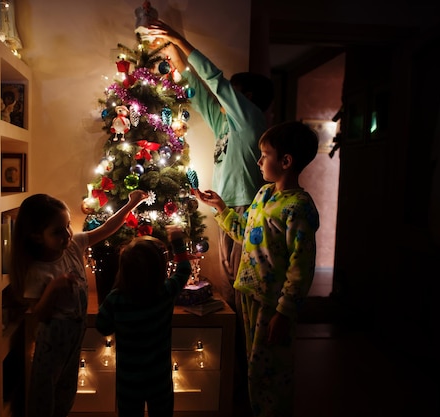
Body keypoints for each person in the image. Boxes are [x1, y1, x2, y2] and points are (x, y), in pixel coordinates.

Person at [149, 20, 274, 417]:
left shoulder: (252, 121)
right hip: (227, 213)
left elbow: (215, 81)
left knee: (245, 296)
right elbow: (201, 95)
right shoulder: (226, 124)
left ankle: (250, 384)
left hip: (247, 217)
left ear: (248, 99)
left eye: (233, 95)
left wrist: (180, 39)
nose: (225, 98)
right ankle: (238, 378)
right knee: (232, 296)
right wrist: (172, 57)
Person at [194, 120, 320, 417]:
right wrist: (222, 209)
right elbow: (246, 234)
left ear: (286, 161)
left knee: (271, 370)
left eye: (265, 154)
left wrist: (284, 312)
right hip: (248, 293)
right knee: (253, 365)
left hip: (272, 304)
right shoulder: (263, 194)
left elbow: (301, 266)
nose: (259, 160)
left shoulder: (298, 207)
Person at [10, 189, 148, 417]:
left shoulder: (74, 246)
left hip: (75, 338)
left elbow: (106, 228)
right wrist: (53, 288)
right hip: (52, 344)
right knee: (44, 397)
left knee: (66, 395)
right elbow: (40, 315)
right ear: (36, 236)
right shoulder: (37, 271)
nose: (66, 235)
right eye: (57, 231)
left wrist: (130, 204)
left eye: (67, 226)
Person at [95, 226, 192, 417]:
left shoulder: (115, 299)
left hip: (128, 382)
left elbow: (102, 326)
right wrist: (177, 241)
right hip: (160, 379)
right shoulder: (165, 292)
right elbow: (184, 270)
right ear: (160, 268)